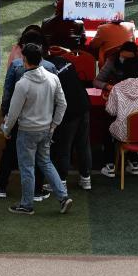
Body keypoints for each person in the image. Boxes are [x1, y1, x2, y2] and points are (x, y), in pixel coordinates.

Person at [3, 43, 72, 215]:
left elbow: (13, 112)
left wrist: (6, 129)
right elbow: (62, 104)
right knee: (46, 163)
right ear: (41, 58)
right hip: (46, 129)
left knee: (27, 167)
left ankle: (27, 205)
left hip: (27, 131)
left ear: (24, 59)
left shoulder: (23, 84)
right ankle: (63, 197)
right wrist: (54, 125)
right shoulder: (53, 78)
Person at [0, 30, 57, 199]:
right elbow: (57, 97)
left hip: (20, 118)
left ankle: (1, 185)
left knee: (10, 152)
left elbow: (7, 92)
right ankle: (37, 190)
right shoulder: (50, 67)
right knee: (41, 156)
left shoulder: (16, 66)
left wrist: (5, 114)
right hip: (43, 118)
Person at [99, 56, 138, 179]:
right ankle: (134, 162)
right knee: (133, 125)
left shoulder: (118, 88)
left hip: (123, 132)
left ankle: (110, 165)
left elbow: (110, 111)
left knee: (108, 128)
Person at [49, 50, 92, 190]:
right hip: (83, 105)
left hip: (68, 110)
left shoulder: (46, 70)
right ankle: (86, 179)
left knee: (64, 146)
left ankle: (60, 182)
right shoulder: (66, 62)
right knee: (83, 144)